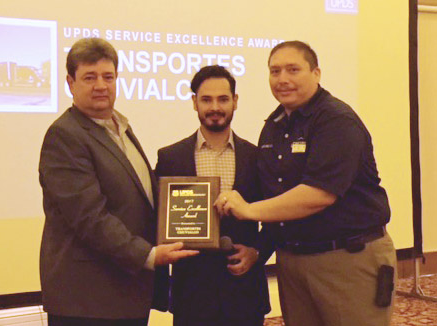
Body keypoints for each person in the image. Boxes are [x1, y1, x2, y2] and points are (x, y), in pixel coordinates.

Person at [215, 41, 397, 326]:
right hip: (293, 261)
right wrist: (259, 249)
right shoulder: (275, 125)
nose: (282, 79)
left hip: (346, 260)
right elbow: (277, 198)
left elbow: (319, 194)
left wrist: (248, 209)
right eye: (275, 71)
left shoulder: (336, 119)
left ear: (316, 73)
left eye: (293, 69)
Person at [38, 38, 198, 326]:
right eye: (90, 77)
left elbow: (139, 198)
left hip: (124, 293)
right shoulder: (65, 136)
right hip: (89, 302)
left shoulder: (119, 127)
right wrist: (148, 254)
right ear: (70, 83)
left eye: (108, 77)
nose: (101, 85)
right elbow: (90, 218)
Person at [155, 65, 270, 326]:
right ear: (194, 102)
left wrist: (258, 252)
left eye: (223, 99)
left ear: (235, 101)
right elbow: (157, 219)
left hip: (245, 291)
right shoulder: (170, 158)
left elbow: (276, 214)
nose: (215, 107)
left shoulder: (257, 158)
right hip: (192, 293)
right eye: (206, 99)